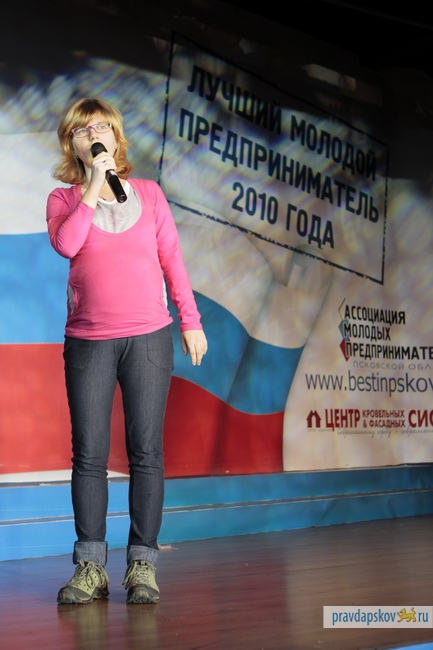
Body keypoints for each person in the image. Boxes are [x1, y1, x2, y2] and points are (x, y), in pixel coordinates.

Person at [46, 97, 208, 605]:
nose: (93, 134)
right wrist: (93, 187)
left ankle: (142, 565)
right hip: (89, 342)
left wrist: (191, 320)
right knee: (90, 455)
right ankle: (90, 567)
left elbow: (172, 260)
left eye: (101, 127)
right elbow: (68, 245)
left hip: (149, 338)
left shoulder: (151, 195)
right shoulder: (63, 199)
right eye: (82, 130)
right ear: (72, 144)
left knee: (146, 453)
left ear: (116, 138)